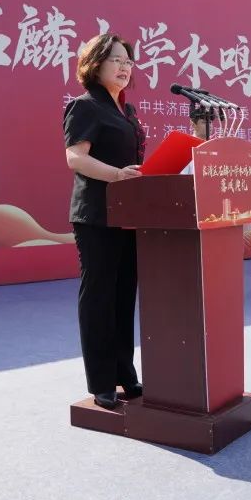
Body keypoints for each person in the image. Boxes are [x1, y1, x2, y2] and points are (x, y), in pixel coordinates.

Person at [63, 33, 146, 410]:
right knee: (99, 296)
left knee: (124, 294)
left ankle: (124, 372)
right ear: (95, 64)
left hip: (128, 214)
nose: (125, 67)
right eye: (116, 60)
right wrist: (117, 176)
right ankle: (101, 381)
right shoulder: (85, 106)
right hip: (96, 215)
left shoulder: (127, 111)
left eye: (128, 61)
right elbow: (75, 158)